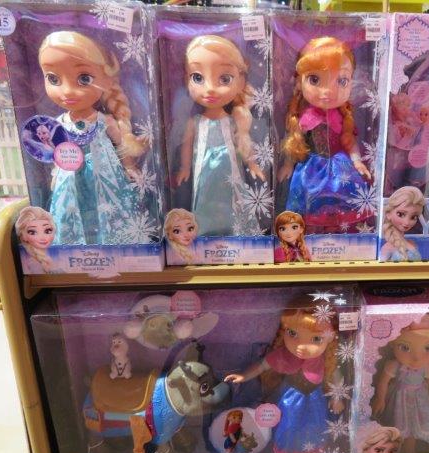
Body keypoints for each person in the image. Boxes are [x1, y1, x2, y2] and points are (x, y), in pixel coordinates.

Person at [38, 31, 149, 245]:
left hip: (105, 174)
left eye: (84, 79)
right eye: (53, 79)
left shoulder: (104, 120)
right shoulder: (58, 123)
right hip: (70, 176)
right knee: (72, 207)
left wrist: (129, 166)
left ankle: (114, 243)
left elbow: (120, 144)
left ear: (107, 80)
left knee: (109, 208)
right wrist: (55, 172)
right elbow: (56, 151)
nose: (67, 91)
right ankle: (74, 244)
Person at [225, 297, 345, 453]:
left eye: (316, 339)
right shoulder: (283, 356)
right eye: (293, 334)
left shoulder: (326, 360)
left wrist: (337, 398)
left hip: (315, 400)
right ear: (284, 331)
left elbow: (336, 376)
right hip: (290, 401)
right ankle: (288, 452)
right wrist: (244, 376)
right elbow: (262, 366)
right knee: (289, 426)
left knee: (316, 426)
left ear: (330, 338)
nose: (301, 346)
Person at [279, 37, 373, 234]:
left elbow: (349, 141)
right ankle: (312, 234)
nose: (328, 91)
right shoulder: (305, 118)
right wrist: (288, 164)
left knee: (343, 202)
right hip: (311, 169)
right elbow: (295, 142)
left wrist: (357, 162)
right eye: (314, 80)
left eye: (341, 81)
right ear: (299, 82)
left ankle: (340, 232)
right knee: (309, 204)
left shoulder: (342, 117)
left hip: (340, 167)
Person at [176, 35, 265, 236]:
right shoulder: (195, 122)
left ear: (241, 82)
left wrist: (252, 164)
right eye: (198, 78)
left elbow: (243, 141)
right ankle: (204, 231)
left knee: (235, 197)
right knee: (202, 198)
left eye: (225, 79)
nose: (210, 89)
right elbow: (187, 146)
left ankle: (238, 230)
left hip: (230, 172)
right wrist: (184, 168)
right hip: (203, 173)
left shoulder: (234, 120)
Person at [371, 313, 429, 453]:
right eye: (405, 347)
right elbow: (383, 382)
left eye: (428, 347)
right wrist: (380, 398)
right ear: (393, 344)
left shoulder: (427, 367)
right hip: (399, 400)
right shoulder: (394, 365)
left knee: (413, 429)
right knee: (399, 426)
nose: (416, 358)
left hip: (420, 400)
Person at [379, 186, 425, 262]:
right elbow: (380, 268)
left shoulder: (412, 244)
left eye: (413, 217)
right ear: (388, 213)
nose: (407, 222)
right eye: (400, 214)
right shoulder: (387, 248)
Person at [15, 206, 56, 273]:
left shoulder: (52, 254)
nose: (42, 237)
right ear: (23, 237)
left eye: (47, 231)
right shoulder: (32, 264)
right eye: (32, 232)